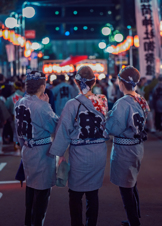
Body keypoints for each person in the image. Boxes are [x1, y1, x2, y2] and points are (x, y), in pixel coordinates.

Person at [49, 66, 108, 226]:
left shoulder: (72, 104)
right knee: (92, 193)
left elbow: (63, 130)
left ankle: (77, 224)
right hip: (99, 151)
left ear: (76, 82)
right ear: (94, 82)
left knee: (75, 194)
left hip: (81, 152)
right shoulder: (102, 101)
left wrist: (59, 153)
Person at [104, 66, 150, 226]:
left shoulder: (123, 102)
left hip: (125, 149)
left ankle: (134, 221)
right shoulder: (141, 99)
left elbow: (113, 128)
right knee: (132, 182)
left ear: (121, 82)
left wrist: (106, 117)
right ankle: (134, 217)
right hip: (137, 146)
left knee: (126, 188)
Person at [14, 70, 58, 226]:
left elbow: (17, 131)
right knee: (41, 194)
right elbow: (55, 126)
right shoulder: (41, 106)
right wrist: (47, 105)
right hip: (42, 152)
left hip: (27, 150)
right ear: (42, 86)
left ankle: (29, 222)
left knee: (31, 190)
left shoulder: (20, 103)